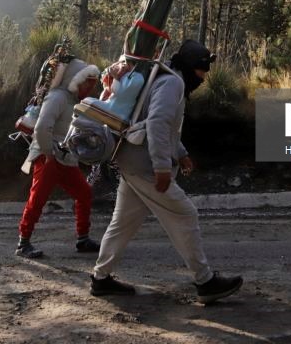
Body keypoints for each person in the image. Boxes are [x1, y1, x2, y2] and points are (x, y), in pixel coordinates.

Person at [89, 40, 244, 304]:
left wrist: (180, 153)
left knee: (122, 223)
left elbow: (163, 126)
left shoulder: (160, 77)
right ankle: (205, 281)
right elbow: (158, 123)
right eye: (202, 71)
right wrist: (162, 166)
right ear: (193, 67)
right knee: (185, 214)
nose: (204, 77)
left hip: (132, 161)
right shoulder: (173, 82)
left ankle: (100, 279)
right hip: (146, 166)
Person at [17, 58, 103, 258]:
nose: (90, 87)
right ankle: (23, 243)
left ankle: (83, 238)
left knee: (84, 193)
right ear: (76, 80)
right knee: (37, 199)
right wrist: (48, 154)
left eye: (93, 83)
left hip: (64, 157)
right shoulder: (57, 97)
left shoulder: (72, 100)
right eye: (88, 82)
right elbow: (42, 127)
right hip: (48, 157)